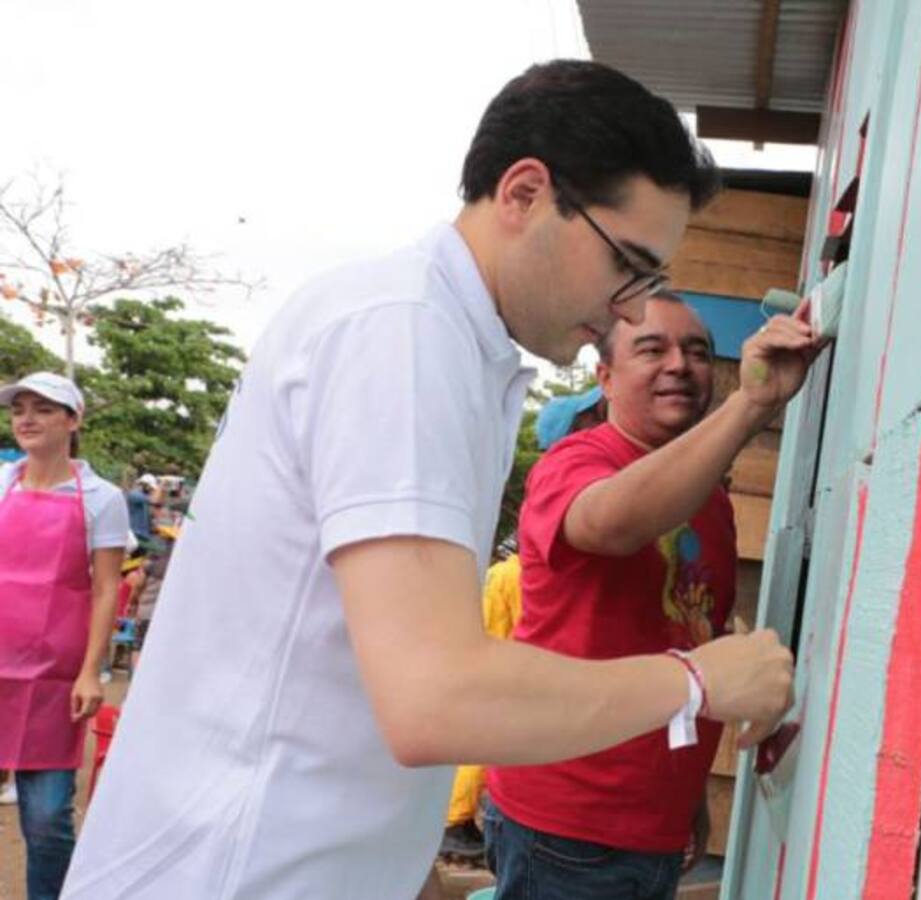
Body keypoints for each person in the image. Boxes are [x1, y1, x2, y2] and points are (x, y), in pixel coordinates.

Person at [63, 60, 801, 900]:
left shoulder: (449, 342)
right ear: (524, 193)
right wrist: (699, 681)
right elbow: (434, 698)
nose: (632, 310)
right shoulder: (406, 334)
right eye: (627, 265)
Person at [483, 293, 819, 898]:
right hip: (565, 826)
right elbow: (612, 524)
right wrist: (752, 403)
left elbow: (688, 636)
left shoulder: (710, 500)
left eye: (696, 351)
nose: (680, 364)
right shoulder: (576, 461)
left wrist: (686, 796)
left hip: (653, 826)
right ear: (604, 377)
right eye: (652, 348)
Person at [440, 386, 606, 861]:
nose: (601, 416)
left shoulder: (563, 473)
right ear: (575, 429)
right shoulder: (570, 472)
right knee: (489, 712)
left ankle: (457, 816)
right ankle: (453, 821)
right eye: (593, 413)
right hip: (511, 583)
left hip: (507, 580)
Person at [0, 371, 130, 900]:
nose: (27, 418)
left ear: (73, 420)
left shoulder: (102, 497)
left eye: (44, 409)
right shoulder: (1, 483)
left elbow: (104, 590)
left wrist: (89, 670)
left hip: (54, 678)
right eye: (19, 409)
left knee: (48, 815)